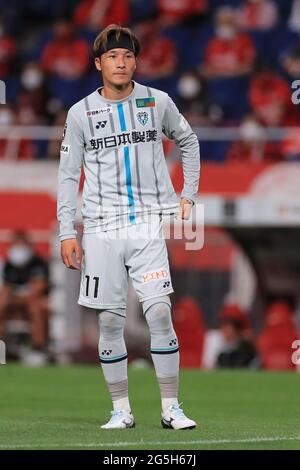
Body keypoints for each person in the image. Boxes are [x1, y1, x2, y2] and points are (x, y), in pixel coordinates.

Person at [57, 24, 200, 430]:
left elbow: (188, 141)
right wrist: (67, 231)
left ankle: (171, 408)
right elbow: (68, 176)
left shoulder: (157, 102)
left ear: (135, 61)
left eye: (128, 56)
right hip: (100, 228)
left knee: (159, 313)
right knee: (109, 321)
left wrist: (187, 193)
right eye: (113, 57)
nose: (122, 63)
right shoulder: (80, 113)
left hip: (146, 226)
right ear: (99, 63)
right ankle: (121, 410)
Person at [0, 231, 49, 351]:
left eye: (21, 245)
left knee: (36, 308)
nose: (18, 248)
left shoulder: (38, 262)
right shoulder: (9, 264)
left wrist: (23, 296)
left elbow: (39, 287)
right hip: (15, 298)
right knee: (1, 304)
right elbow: (7, 287)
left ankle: (38, 347)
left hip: (33, 299)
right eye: (16, 244)